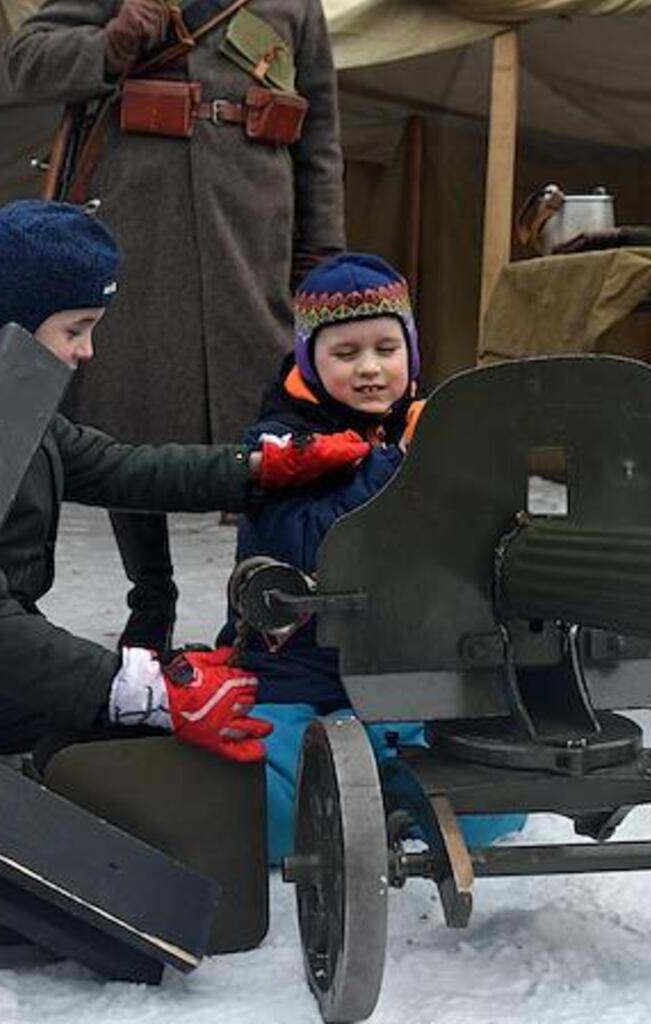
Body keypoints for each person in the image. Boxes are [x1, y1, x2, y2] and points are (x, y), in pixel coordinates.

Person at [0, 200, 370, 765]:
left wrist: (255, 467)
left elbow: (117, 466)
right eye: (75, 329)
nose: (87, 351)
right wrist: (145, 692)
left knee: (180, 692)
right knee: (148, 743)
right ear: (15, 322)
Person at [5, 0, 345, 656]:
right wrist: (109, 43)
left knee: (261, 424)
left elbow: (323, 134)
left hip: (250, 235)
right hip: (141, 225)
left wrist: (322, 253)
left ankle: (249, 600)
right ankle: (149, 598)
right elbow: (27, 60)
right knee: (130, 417)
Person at [217, 252, 525, 859]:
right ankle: (348, 807)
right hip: (295, 675)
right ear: (309, 358)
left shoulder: (436, 427)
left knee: (497, 801)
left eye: (386, 348)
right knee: (262, 811)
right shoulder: (278, 444)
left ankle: (387, 805)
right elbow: (304, 544)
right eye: (345, 352)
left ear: (411, 349)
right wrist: (394, 467)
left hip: (404, 671)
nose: (370, 369)